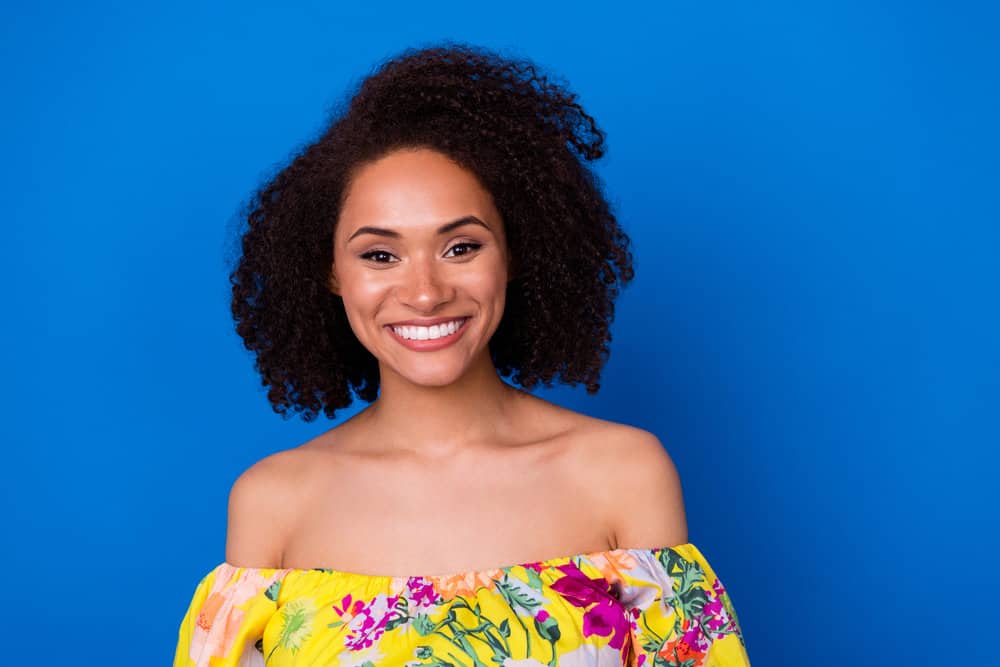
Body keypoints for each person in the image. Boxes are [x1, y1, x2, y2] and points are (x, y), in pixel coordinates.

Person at [173, 42, 751, 667]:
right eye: (379, 255)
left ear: (515, 252)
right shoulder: (273, 501)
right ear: (332, 273)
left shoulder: (621, 474)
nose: (425, 293)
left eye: (461, 247)